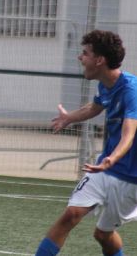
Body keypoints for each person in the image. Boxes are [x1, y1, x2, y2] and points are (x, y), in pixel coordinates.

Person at [35, 30, 137, 256]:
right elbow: (94, 107)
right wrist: (69, 117)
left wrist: (113, 158)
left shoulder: (132, 90)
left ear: (99, 60)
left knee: (102, 234)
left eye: (85, 53)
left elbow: (129, 134)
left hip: (131, 177)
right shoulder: (105, 85)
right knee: (70, 215)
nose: (80, 58)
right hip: (103, 169)